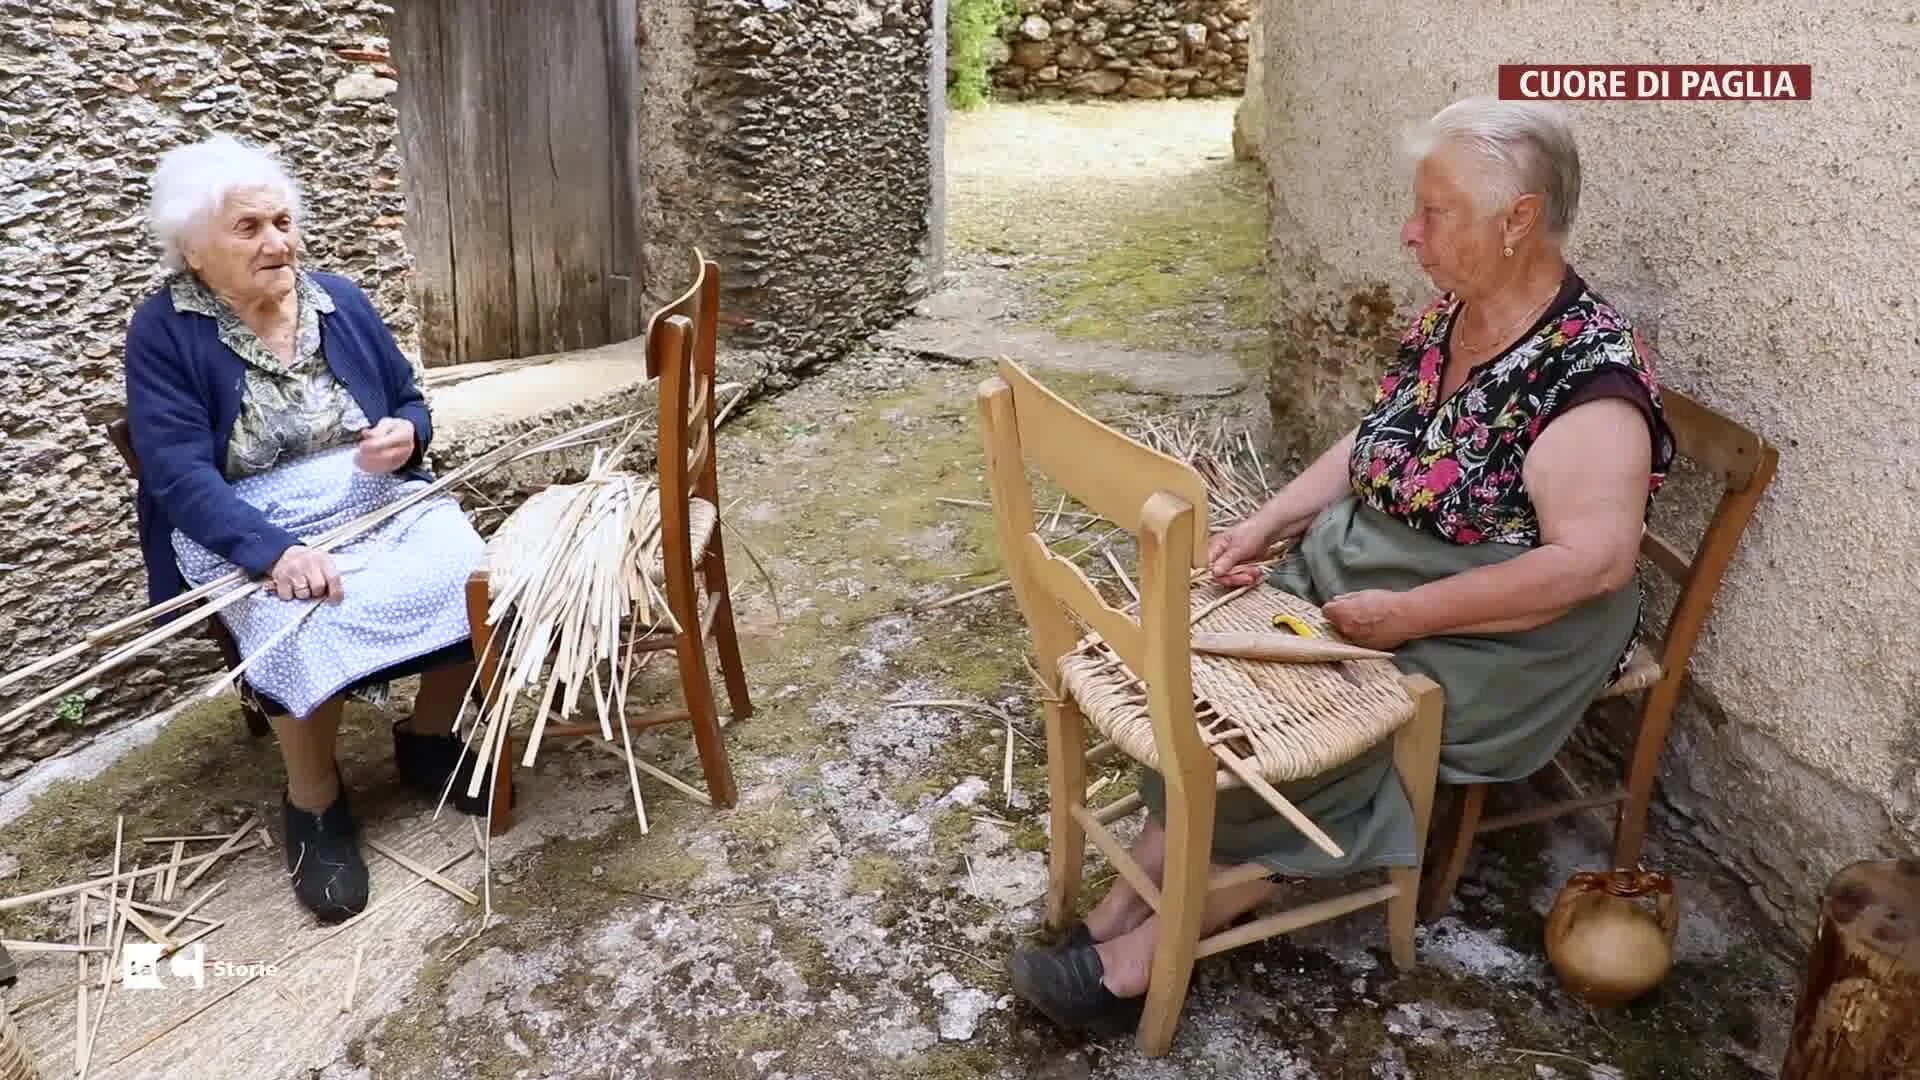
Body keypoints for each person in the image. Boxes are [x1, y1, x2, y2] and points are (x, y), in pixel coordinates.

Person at [1010, 96, 1676, 1032]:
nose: (1410, 233)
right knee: (1222, 690)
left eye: (1434, 211)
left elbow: (1591, 567)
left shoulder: (1590, 383)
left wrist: (1404, 620)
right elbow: (1382, 437)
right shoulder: (1460, 311)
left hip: (1503, 626)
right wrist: (1271, 524)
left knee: (1333, 738)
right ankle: (1129, 902)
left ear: (1517, 219)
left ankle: (1144, 957)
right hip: (1374, 568)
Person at [125, 135, 495, 924]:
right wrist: (273, 553)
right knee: (296, 621)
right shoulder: (164, 331)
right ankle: (315, 804)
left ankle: (428, 738)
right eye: (250, 228)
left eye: (283, 222)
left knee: (472, 573)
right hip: (250, 522)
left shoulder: (337, 299)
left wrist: (407, 435)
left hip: (374, 502)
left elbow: (410, 399)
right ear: (194, 252)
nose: (278, 242)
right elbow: (179, 476)